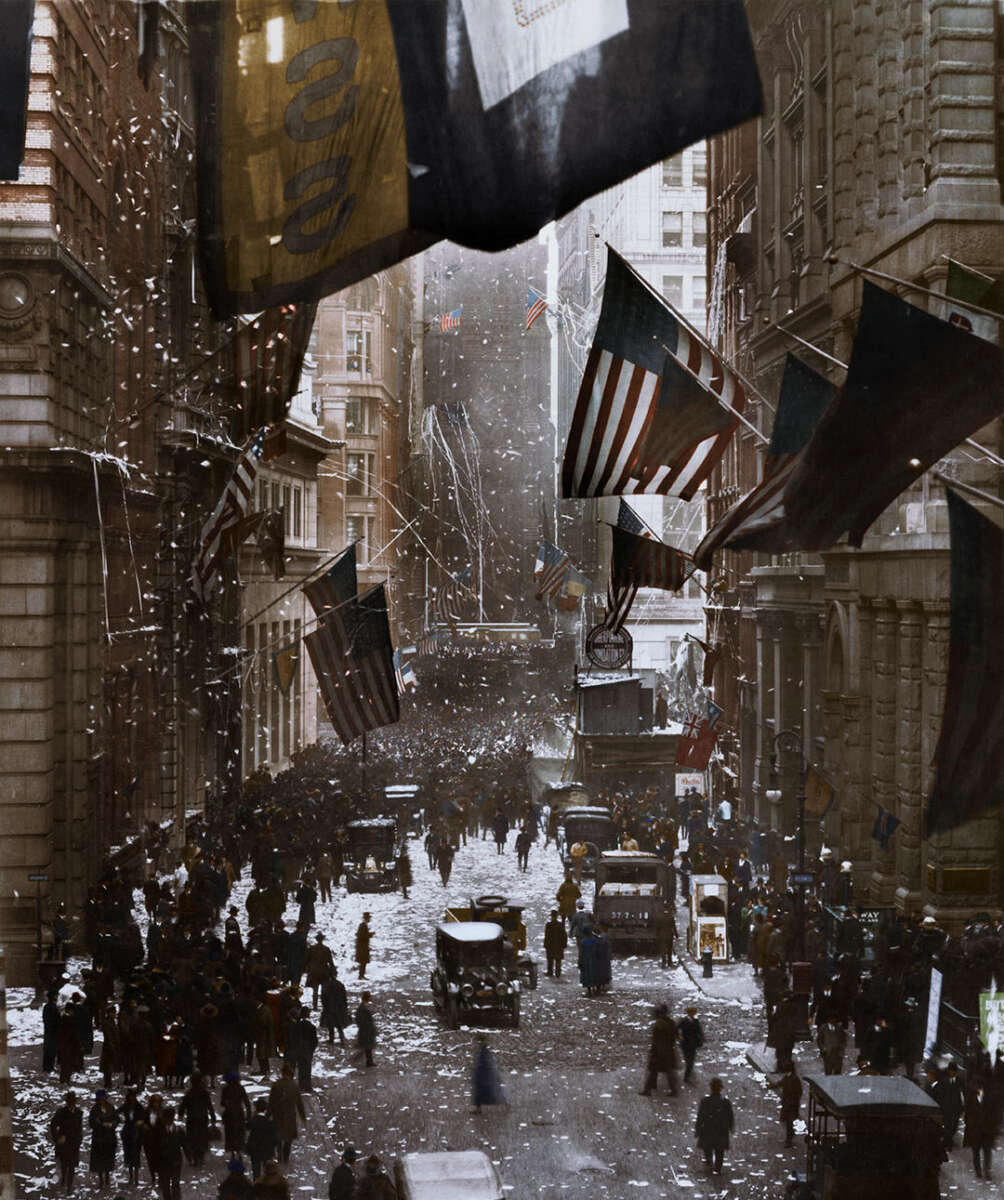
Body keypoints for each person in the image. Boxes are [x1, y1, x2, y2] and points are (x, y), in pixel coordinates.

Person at [695, 1077, 734, 1176]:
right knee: (719, 1150)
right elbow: (730, 1116)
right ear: (720, 1088)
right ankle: (718, 1167)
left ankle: (709, 1161)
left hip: (708, 1128)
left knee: (707, 1147)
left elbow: (700, 1116)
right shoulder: (725, 1102)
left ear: (711, 1088)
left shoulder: (705, 1101)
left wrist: (698, 1128)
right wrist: (731, 1126)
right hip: (721, 1129)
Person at [268, 1063, 306, 1164]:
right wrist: (303, 1116)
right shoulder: (294, 1086)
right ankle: (286, 1157)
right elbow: (299, 1103)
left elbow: (271, 1102)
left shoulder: (276, 1085)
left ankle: (279, 1153)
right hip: (290, 1116)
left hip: (278, 1115)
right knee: (288, 1138)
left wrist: (267, 1115)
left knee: (278, 1136)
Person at [640, 1003, 679, 1097]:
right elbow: (675, 1036)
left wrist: (654, 1052)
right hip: (668, 1050)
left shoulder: (659, 1024)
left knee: (653, 1070)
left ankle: (648, 1090)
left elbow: (656, 1040)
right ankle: (672, 1090)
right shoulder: (671, 1022)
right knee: (668, 1071)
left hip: (659, 1052)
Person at [180, 1069, 216, 1167]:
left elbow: (183, 1105)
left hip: (192, 1118)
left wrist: (180, 1115)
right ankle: (201, 1156)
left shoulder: (189, 1093)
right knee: (202, 1137)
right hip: (202, 1118)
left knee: (192, 1139)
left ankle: (195, 1157)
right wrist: (213, 1118)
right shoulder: (204, 1092)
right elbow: (209, 1106)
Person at [51, 1091, 84, 1194]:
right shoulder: (61, 1113)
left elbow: (79, 1128)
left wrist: (79, 1140)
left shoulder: (79, 1113)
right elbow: (53, 1126)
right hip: (64, 1144)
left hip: (74, 1143)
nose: (71, 1104)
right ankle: (64, 1179)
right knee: (64, 1165)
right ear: (67, 1102)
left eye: (73, 1102)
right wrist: (58, 1138)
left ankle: (69, 1187)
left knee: (72, 1166)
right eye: (69, 1102)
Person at [965, 1079, 998, 1179]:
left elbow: (993, 1114)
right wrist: (971, 1125)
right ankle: (978, 1171)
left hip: (987, 1130)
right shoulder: (970, 1098)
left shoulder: (989, 1098)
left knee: (987, 1151)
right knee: (976, 1152)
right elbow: (967, 1113)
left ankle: (987, 1171)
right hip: (975, 1130)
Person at [929, 1061, 965, 1149]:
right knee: (948, 1125)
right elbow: (941, 1095)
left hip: (956, 1108)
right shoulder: (944, 1082)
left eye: (954, 1071)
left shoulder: (959, 1081)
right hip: (947, 1107)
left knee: (954, 1127)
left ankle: (947, 1139)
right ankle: (948, 1142)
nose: (952, 1073)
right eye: (951, 1071)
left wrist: (962, 1107)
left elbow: (962, 1094)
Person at [767, 1062, 803, 1147]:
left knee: (788, 1121)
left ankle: (789, 1139)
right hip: (787, 1103)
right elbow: (780, 1083)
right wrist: (771, 1086)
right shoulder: (788, 1077)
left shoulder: (794, 1079)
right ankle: (791, 1134)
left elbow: (799, 1092)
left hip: (791, 1105)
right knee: (786, 1120)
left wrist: (794, 1101)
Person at [89, 1088, 119, 1187]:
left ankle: (107, 1177)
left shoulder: (110, 1107)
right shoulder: (94, 1109)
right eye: (100, 1099)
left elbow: (116, 1119)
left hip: (109, 1137)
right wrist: (101, 1124)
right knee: (99, 1160)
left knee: (108, 1158)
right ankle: (101, 1179)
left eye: (103, 1099)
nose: (102, 1101)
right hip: (99, 1138)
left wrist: (112, 1125)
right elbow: (92, 1122)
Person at [471, 1035, 508, 1114]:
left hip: (482, 1076)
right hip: (483, 1075)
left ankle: (479, 1108)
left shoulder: (483, 1051)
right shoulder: (484, 1051)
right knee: (491, 1091)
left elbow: (484, 1063)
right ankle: (505, 1103)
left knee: (483, 1092)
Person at [285, 1007, 319, 1091]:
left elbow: (291, 1039)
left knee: (300, 1068)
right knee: (306, 1069)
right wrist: (311, 1049)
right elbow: (314, 1041)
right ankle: (306, 1086)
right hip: (307, 1051)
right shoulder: (311, 1027)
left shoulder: (295, 1026)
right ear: (308, 1015)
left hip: (297, 1050)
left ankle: (300, 1086)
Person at [118, 1087, 146, 1187]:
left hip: (137, 1133)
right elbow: (116, 1112)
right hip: (127, 1133)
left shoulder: (139, 1107)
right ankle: (130, 1177)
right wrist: (120, 1120)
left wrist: (141, 1122)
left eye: (133, 1096)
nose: (132, 1098)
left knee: (136, 1155)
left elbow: (144, 1118)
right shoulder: (125, 1106)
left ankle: (136, 1177)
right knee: (128, 1155)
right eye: (130, 1096)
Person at [247, 1098, 280, 1182]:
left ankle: (256, 1188)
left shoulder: (253, 1120)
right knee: (267, 1172)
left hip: (255, 1150)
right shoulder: (270, 1122)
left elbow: (247, 1127)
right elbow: (276, 1138)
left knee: (256, 1173)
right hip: (267, 1150)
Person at [157, 1106, 186, 1200]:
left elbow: (185, 1145)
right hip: (163, 1162)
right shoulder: (158, 1131)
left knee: (175, 1183)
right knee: (165, 1185)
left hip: (176, 1161)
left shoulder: (179, 1130)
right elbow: (154, 1148)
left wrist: (190, 1157)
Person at [221, 1071, 252, 1157]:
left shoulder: (225, 1089)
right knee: (239, 1133)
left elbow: (222, 1102)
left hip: (229, 1114)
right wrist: (249, 1115)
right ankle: (239, 1149)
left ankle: (232, 1151)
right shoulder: (240, 1088)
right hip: (239, 1113)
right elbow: (246, 1102)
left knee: (230, 1133)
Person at [321, 967, 350, 1046]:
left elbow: (323, 998)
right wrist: (344, 1007)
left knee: (330, 1025)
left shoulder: (325, 985)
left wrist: (325, 1006)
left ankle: (331, 1039)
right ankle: (342, 1039)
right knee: (339, 1024)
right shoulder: (340, 984)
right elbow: (344, 997)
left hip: (329, 1008)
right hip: (339, 1007)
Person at [304, 933, 334, 1011]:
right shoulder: (326, 949)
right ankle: (325, 1006)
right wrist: (333, 972)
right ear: (322, 939)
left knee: (315, 990)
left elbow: (307, 960)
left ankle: (315, 1006)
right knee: (324, 991)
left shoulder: (312, 949)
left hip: (314, 972)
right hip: (324, 972)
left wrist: (307, 970)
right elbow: (330, 962)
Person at [678, 1006, 705, 1083]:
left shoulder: (696, 1021)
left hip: (693, 1044)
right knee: (688, 1061)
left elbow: (700, 1032)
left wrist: (702, 1039)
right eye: (692, 1012)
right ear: (689, 1013)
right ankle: (687, 1077)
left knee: (691, 1061)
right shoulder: (683, 1021)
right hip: (685, 1044)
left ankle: (687, 1075)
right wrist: (680, 1037)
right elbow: (677, 1030)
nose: (693, 1014)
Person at [355, 992, 377, 1068]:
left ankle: (369, 1061)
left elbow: (358, 1019)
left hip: (364, 1029)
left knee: (367, 1046)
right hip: (367, 1030)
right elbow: (367, 1020)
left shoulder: (361, 1007)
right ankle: (369, 1062)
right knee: (368, 1046)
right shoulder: (364, 1008)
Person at [543, 910, 567, 978]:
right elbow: (564, 935)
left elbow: (546, 935)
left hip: (550, 944)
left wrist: (545, 944)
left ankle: (550, 972)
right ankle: (558, 972)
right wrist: (564, 944)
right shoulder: (560, 925)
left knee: (550, 959)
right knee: (558, 959)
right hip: (559, 945)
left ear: (552, 916)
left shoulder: (548, 925)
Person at [43, 987, 61, 1073]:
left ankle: (48, 1066)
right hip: (52, 1031)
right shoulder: (52, 1007)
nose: (57, 997)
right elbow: (55, 1020)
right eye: (56, 995)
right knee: (51, 1049)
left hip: (49, 1031)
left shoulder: (48, 1006)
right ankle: (48, 1067)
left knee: (49, 1049)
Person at [355, 914, 372, 980]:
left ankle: (361, 975)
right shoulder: (363, 926)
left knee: (363, 962)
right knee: (363, 962)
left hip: (362, 947)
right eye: (369, 918)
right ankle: (361, 975)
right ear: (366, 919)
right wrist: (369, 935)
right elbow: (362, 936)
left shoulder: (363, 925)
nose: (369, 919)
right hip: (362, 948)